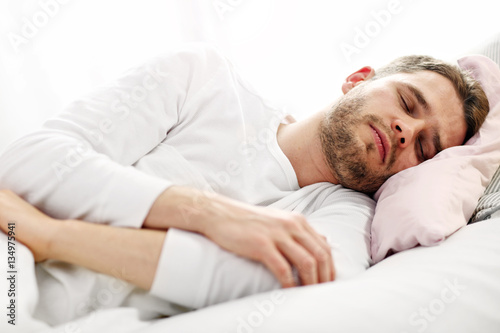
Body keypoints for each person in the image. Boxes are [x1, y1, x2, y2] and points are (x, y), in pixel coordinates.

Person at [0, 44, 489, 312]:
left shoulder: (348, 221)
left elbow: (286, 287)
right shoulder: (205, 80)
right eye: (407, 103)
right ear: (358, 79)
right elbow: (29, 162)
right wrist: (210, 216)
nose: (407, 131)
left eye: (426, 148)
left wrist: (52, 235)